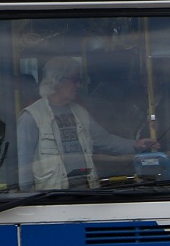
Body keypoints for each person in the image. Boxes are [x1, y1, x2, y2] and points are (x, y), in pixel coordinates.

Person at [16, 57, 154, 190]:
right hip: (51, 198)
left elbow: (104, 139)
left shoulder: (80, 112)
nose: (79, 85)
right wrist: (28, 199)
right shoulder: (31, 116)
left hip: (85, 191)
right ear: (57, 80)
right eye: (75, 80)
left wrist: (135, 145)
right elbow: (25, 164)